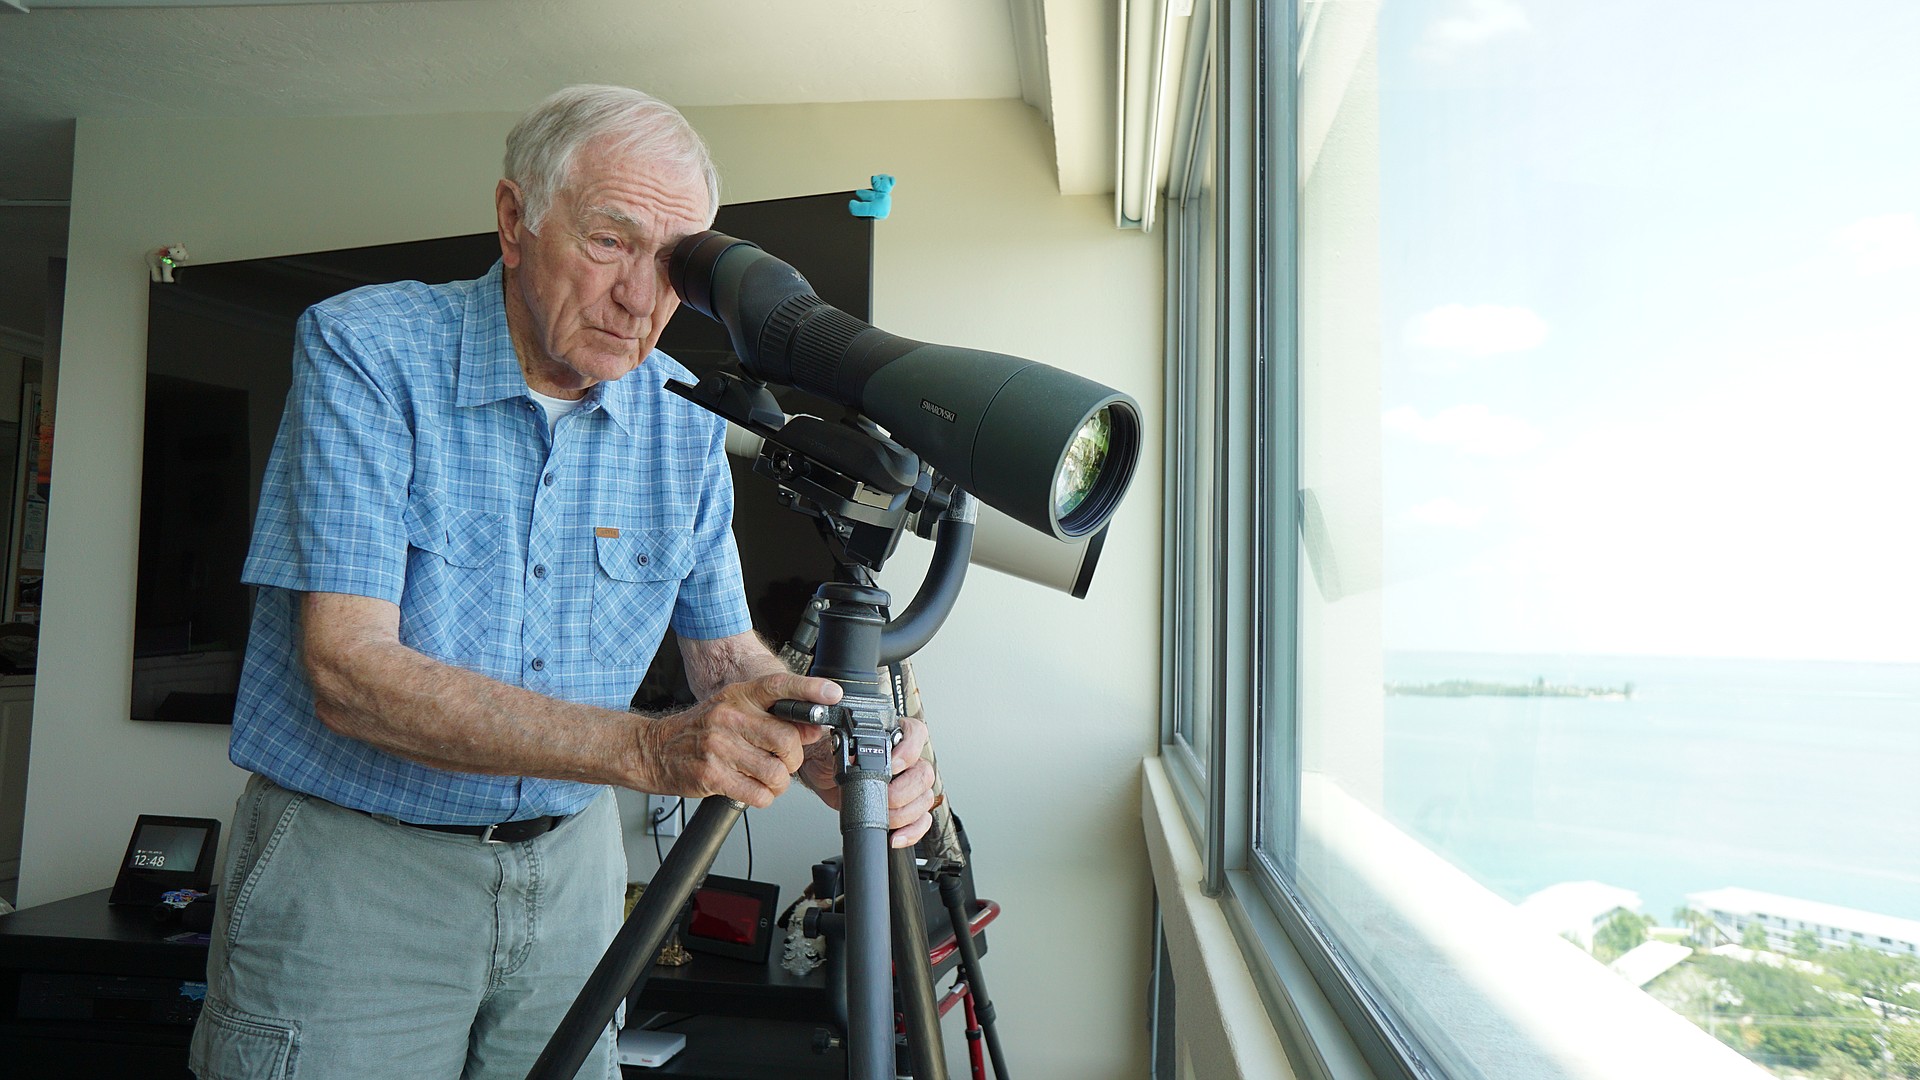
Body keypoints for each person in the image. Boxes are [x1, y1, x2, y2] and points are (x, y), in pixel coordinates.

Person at [189, 85, 938, 1080]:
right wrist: (653, 751)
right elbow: (348, 671)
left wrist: (822, 745)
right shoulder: (366, 352)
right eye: (607, 243)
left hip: (572, 879)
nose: (642, 299)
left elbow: (724, 659)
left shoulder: (683, 419)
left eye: (674, 262)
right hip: (357, 875)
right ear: (513, 220)